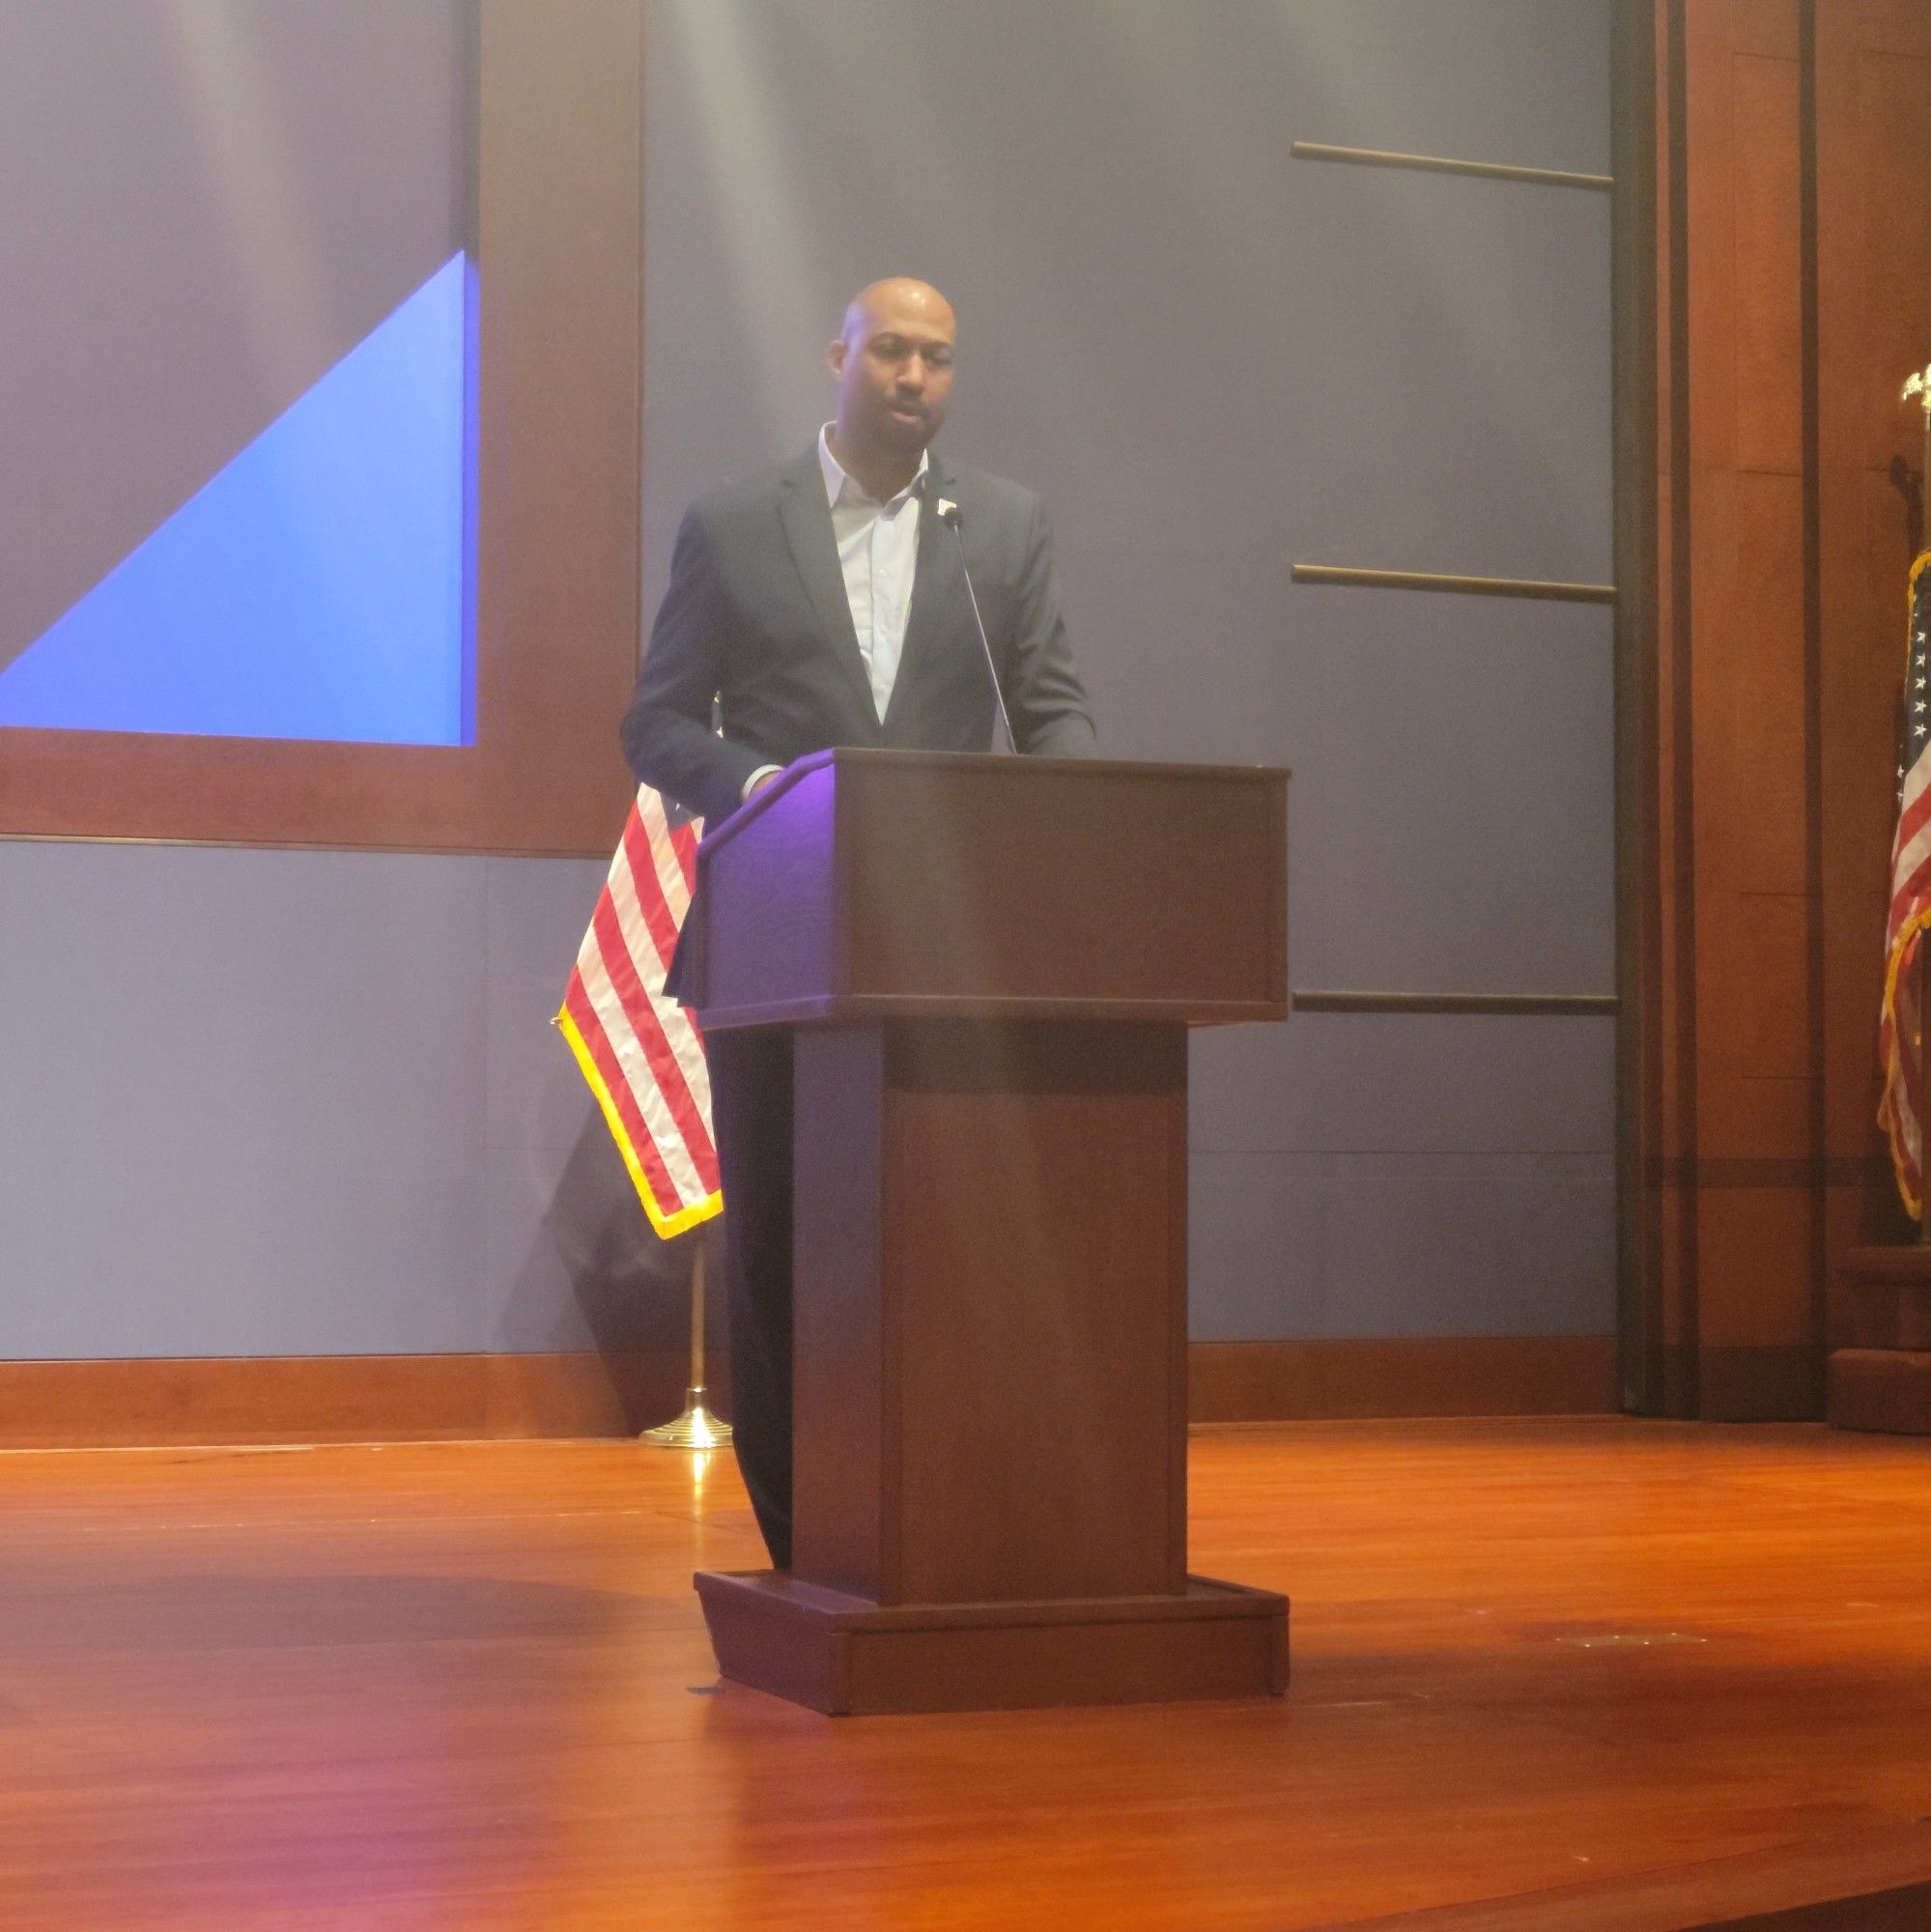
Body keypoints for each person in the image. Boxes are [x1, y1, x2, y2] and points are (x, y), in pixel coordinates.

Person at [620, 277, 1094, 1567]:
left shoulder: (1002, 526)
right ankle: (802, 1540)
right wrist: (765, 792)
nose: (913, 376)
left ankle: (935, 1518)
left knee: (938, 1243)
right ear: (836, 357)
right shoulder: (733, 525)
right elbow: (656, 721)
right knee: (783, 1250)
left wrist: (1079, 821)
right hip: (780, 930)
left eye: (938, 358)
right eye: (889, 350)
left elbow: (1050, 707)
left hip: (948, 949)